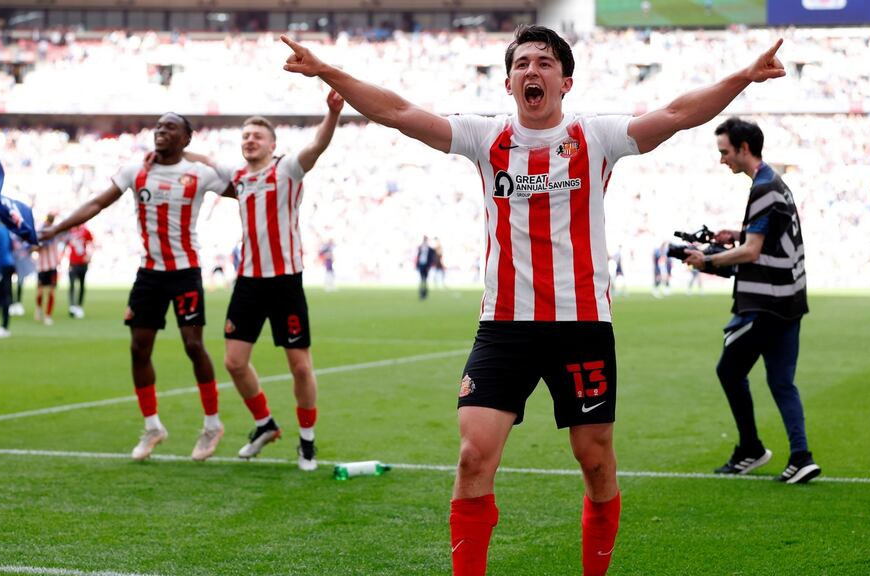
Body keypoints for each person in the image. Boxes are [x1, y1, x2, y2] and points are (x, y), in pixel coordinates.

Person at [281, 26, 785, 575]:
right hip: (505, 326)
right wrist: (327, 70)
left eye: (544, 62)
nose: (532, 71)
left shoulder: (597, 137)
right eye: (522, 63)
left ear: (565, 81)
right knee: (473, 455)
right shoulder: (484, 136)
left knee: (594, 461)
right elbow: (399, 112)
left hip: (582, 324)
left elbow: (677, 113)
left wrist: (743, 77)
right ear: (507, 82)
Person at [39, 112, 231, 462]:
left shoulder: (199, 174)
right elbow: (97, 203)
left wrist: (203, 158)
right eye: (158, 126)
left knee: (193, 346)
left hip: (185, 271)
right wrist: (57, 228)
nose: (160, 130)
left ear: (186, 138)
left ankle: (212, 424)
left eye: (170, 127)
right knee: (139, 348)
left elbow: (241, 189)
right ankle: (153, 426)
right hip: (149, 274)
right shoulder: (136, 170)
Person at [196, 91, 343, 471]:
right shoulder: (239, 177)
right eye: (245, 135)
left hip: (284, 283)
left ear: (272, 145)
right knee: (233, 361)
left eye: (257, 136)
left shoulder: (287, 169)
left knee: (300, 367)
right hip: (248, 282)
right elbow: (206, 161)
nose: (249, 140)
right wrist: (175, 155)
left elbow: (318, 145)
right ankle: (265, 424)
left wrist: (332, 112)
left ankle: (307, 441)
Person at [683, 117, 820, 484]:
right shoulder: (773, 183)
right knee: (781, 381)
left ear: (744, 148)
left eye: (725, 152)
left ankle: (751, 449)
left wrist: (706, 260)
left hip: (767, 304)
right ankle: (801, 456)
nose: (722, 159)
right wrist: (737, 234)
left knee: (729, 370)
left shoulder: (763, 188)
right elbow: (765, 236)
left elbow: (752, 252)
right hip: (790, 301)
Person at [35, 213, 62, 326]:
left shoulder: (55, 231)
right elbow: (32, 247)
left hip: (52, 266)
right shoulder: (39, 232)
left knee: (51, 291)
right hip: (42, 266)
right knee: (40, 291)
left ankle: (48, 315)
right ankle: (39, 308)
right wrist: (39, 245)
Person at [66, 223, 95, 318]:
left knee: (82, 284)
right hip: (72, 263)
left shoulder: (85, 231)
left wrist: (89, 256)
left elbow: (91, 244)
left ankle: (79, 306)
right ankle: (72, 306)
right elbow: (64, 244)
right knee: (72, 284)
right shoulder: (70, 231)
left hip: (82, 263)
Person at [9, 235, 35, 317]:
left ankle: (18, 303)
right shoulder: (12, 238)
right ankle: (12, 303)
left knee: (20, 283)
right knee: (9, 284)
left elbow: (31, 248)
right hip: (12, 262)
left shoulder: (25, 240)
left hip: (22, 263)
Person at [415, 235, 434, 300]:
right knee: (421, 279)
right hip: (421, 265)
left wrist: (429, 266)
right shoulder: (420, 248)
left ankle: (425, 293)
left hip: (426, 266)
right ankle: (421, 293)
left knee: (425, 280)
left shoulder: (430, 249)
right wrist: (417, 265)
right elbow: (418, 257)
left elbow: (431, 258)